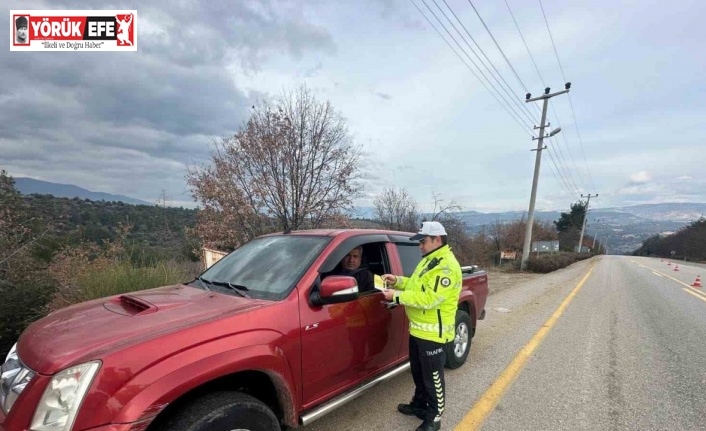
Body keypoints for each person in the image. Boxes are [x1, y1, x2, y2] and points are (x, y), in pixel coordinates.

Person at [382, 221, 462, 431]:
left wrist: (395, 296)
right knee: (418, 373)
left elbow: (429, 299)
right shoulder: (430, 260)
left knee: (433, 379)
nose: (420, 246)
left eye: (423, 242)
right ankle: (419, 405)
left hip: (434, 334)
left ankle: (434, 418)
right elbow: (416, 285)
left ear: (437, 240)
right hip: (418, 330)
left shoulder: (446, 266)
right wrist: (397, 281)